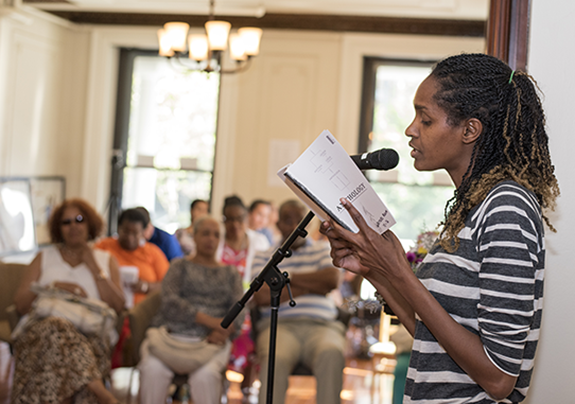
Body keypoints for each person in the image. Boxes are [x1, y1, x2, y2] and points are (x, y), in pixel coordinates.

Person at [320, 53, 560, 403]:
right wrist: (374, 269)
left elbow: (498, 378)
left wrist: (400, 271)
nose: (410, 129)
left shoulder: (507, 207)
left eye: (426, 118)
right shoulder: (472, 207)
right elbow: (431, 340)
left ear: (469, 129)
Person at [12, 198, 125, 404]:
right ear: (59, 228)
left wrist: (94, 268)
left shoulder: (105, 260)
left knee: (55, 369)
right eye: (66, 222)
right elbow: (20, 305)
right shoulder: (44, 257)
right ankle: (103, 394)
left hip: (90, 337)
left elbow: (118, 307)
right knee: (56, 325)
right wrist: (54, 287)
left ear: (89, 223)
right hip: (40, 335)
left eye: (79, 220)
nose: (73, 226)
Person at [138, 216, 244, 404]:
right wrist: (212, 322)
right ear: (194, 236)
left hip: (210, 341)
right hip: (169, 335)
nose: (211, 239)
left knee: (206, 376)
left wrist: (225, 331)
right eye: (205, 234)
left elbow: (239, 309)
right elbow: (170, 302)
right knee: (152, 370)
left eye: (216, 235)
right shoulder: (179, 266)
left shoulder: (231, 274)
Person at [253, 199, 346, 404]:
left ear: (308, 224)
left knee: (332, 353)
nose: (295, 226)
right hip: (279, 327)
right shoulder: (264, 256)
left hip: (322, 327)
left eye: (300, 221)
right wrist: (313, 286)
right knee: (274, 358)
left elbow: (331, 280)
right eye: (288, 220)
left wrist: (287, 279)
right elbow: (260, 296)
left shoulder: (322, 250)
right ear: (278, 224)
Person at [216, 195, 270, 393]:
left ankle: (247, 387)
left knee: (246, 323)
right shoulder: (217, 241)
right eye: (229, 219)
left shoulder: (259, 242)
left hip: (251, 304)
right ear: (223, 220)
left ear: (246, 218)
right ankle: (219, 379)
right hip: (219, 304)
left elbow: (265, 278)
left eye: (239, 218)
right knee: (224, 322)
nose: (235, 224)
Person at [96, 208, 170, 307]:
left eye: (135, 233)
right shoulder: (104, 246)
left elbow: (169, 285)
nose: (130, 237)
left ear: (143, 232)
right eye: (126, 231)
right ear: (118, 228)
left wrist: (145, 286)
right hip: (107, 306)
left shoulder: (153, 253)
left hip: (143, 311)